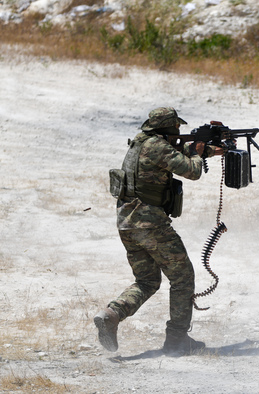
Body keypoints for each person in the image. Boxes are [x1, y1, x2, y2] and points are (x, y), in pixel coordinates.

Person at [94, 107, 222, 355]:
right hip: (150, 224)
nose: (178, 132)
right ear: (170, 128)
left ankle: (111, 314)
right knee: (183, 277)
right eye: (177, 128)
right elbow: (192, 171)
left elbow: (173, 155)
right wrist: (197, 154)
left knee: (147, 281)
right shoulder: (158, 146)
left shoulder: (144, 143)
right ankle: (177, 341)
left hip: (127, 223)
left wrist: (205, 150)